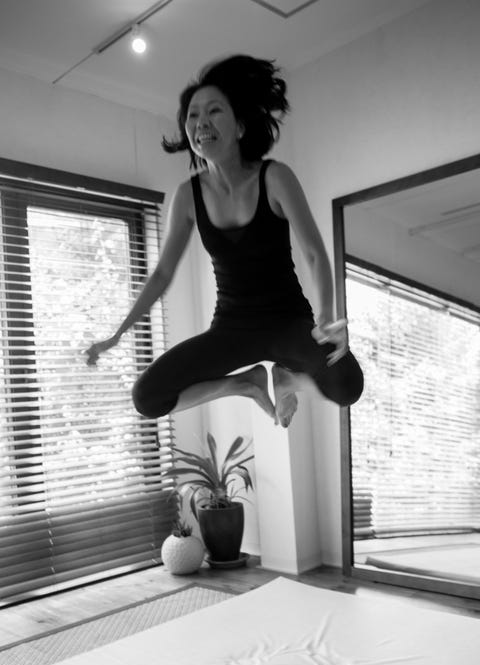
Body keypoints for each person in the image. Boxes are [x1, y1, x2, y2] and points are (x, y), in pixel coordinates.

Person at [86, 55, 363, 427]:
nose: (201, 123)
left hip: (289, 322)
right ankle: (245, 384)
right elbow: (163, 273)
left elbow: (314, 253)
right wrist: (118, 333)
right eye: (192, 116)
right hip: (232, 327)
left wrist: (327, 316)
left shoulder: (275, 178)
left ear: (240, 125)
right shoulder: (188, 196)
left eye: (214, 111)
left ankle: (289, 380)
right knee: (147, 397)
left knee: (347, 385)